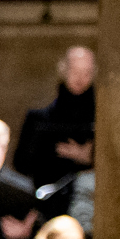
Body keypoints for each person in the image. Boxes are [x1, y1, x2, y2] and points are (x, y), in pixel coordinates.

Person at [16, 45, 95, 192]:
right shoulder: (39, 119)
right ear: (63, 70)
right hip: (48, 193)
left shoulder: (100, 121)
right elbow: (21, 163)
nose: (80, 78)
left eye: (86, 72)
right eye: (75, 71)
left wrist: (90, 157)